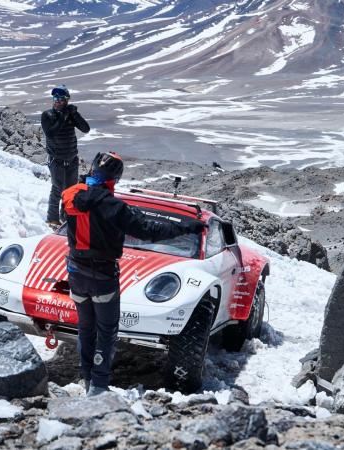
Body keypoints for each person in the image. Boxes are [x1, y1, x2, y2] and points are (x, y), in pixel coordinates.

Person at [62, 152, 206, 396]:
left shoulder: (70, 195)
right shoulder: (114, 206)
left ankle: (87, 378)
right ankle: (98, 387)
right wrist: (186, 227)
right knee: (106, 332)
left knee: (86, 328)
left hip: (76, 271)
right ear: (115, 178)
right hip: (103, 275)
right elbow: (148, 230)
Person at [41, 85, 90, 229]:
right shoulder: (48, 115)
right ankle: (52, 219)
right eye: (55, 98)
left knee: (71, 190)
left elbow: (85, 129)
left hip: (71, 158)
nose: (57, 101)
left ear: (66, 100)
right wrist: (64, 116)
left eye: (61, 99)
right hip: (56, 159)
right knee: (57, 189)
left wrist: (75, 114)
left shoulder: (70, 114)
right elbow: (51, 133)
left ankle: (66, 217)